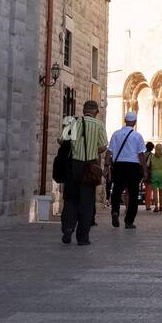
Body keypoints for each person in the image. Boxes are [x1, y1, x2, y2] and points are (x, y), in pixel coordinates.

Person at [60, 99, 107, 246]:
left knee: (70, 199)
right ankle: (83, 237)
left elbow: (61, 140)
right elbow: (103, 145)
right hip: (89, 166)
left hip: (73, 165)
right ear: (96, 112)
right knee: (86, 202)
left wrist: (75, 147)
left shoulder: (72, 122)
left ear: (83, 110)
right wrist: (92, 151)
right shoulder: (99, 125)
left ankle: (68, 228)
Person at [106, 110, 146, 229]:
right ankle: (129, 221)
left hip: (119, 165)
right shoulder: (137, 136)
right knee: (133, 193)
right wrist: (145, 170)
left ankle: (115, 211)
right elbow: (141, 155)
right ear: (134, 122)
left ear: (125, 120)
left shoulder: (116, 134)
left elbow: (109, 151)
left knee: (117, 190)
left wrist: (106, 165)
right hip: (133, 166)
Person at [148, 141, 162, 212]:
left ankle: (156, 207)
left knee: (155, 191)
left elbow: (147, 165)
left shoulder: (151, 156)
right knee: (161, 191)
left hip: (154, 173)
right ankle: (161, 205)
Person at [142, 141, 155, 211]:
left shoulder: (143, 154)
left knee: (147, 189)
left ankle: (147, 204)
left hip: (142, 172)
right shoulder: (151, 155)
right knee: (149, 190)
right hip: (149, 173)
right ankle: (148, 205)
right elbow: (148, 164)